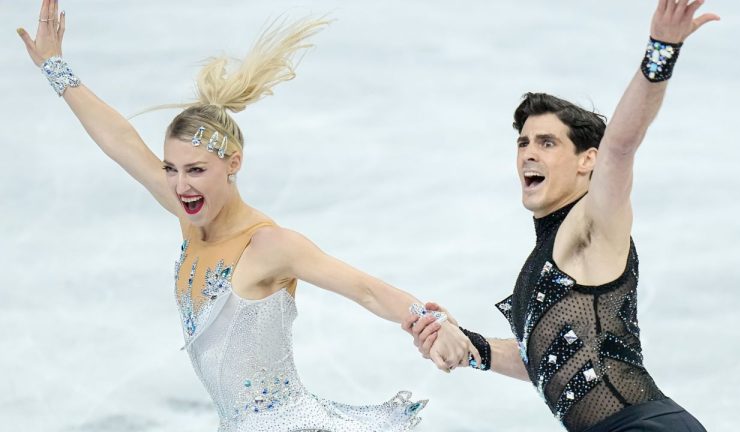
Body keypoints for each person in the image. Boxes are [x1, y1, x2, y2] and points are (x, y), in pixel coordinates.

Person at [16, 1, 479, 430]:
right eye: (171, 169)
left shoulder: (269, 245)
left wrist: (434, 326)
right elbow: (121, 141)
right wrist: (56, 69)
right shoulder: (190, 218)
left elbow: (366, 290)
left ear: (233, 163)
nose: (180, 185)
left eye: (196, 170)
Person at [403, 0, 719, 430]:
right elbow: (556, 357)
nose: (529, 152)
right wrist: (472, 346)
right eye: (523, 143)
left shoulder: (592, 224)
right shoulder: (552, 251)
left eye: (547, 143)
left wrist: (661, 49)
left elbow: (621, 145)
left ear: (588, 160)